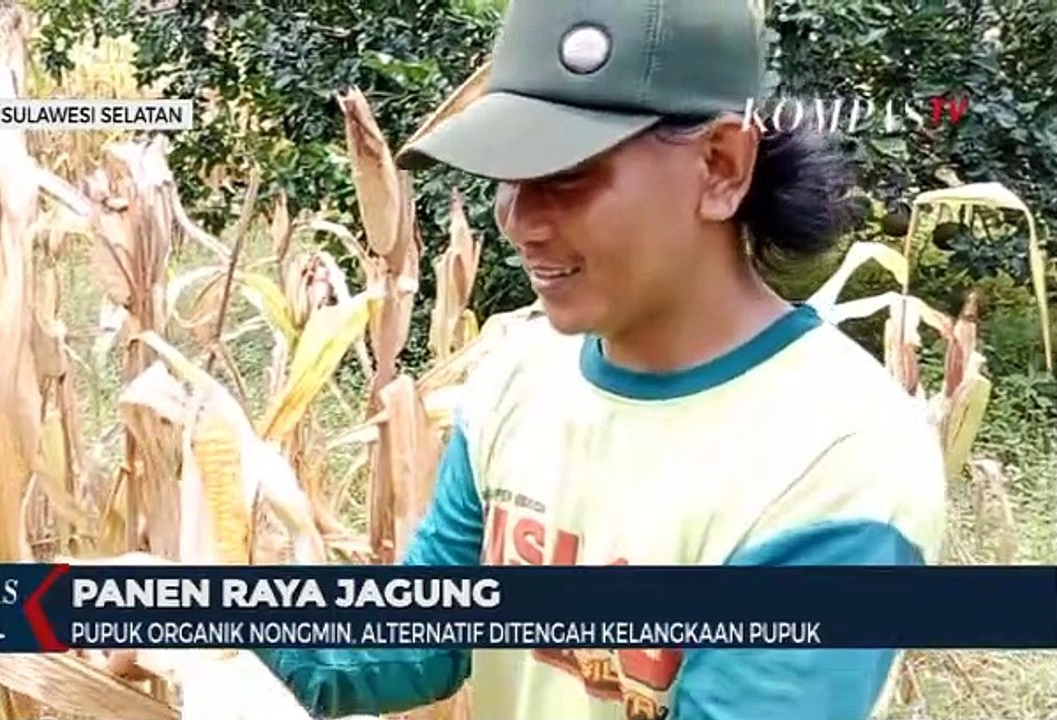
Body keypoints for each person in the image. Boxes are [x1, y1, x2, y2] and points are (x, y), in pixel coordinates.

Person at [254, 0, 947, 718]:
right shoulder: (517, 381)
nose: (519, 222)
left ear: (720, 166)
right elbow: (418, 639)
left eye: (565, 173)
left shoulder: (842, 460)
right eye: (508, 176)